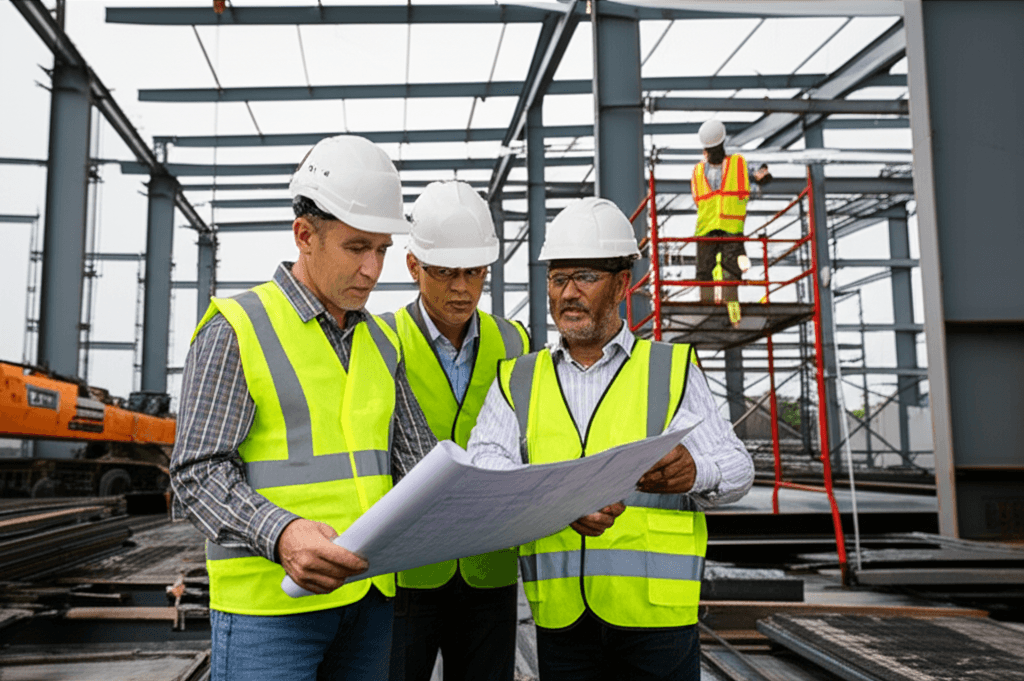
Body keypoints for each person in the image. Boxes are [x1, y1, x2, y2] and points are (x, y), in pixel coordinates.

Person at [170, 135, 438, 681]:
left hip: (368, 599)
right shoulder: (237, 328)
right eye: (357, 248)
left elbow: (423, 468)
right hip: (271, 611)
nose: (372, 269)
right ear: (305, 235)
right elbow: (196, 474)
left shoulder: (383, 344)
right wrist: (283, 533)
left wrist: (530, 501)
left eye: (382, 250)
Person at [467, 197, 754, 681]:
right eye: (558, 278)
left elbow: (739, 467)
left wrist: (696, 472)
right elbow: (484, 469)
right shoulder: (519, 378)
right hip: (562, 617)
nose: (568, 293)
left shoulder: (669, 369)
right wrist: (555, 500)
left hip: (657, 620)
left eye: (585, 277)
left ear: (621, 284)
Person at [383, 181, 529, 681]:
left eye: (474, 272)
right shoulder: (381, 340)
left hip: (491, 565)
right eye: (445, 273)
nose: (462, 288)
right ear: (413, 266)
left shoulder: (515, 341)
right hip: (410, 566)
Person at [691, 119, 768, 315]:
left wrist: (761, 176)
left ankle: (733, 315)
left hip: (730, 228)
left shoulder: (738, 164)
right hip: (707, 229)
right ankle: (707, 313)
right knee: (704, 272)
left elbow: (761, 172)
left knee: (731, 271)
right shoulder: (698, 171)